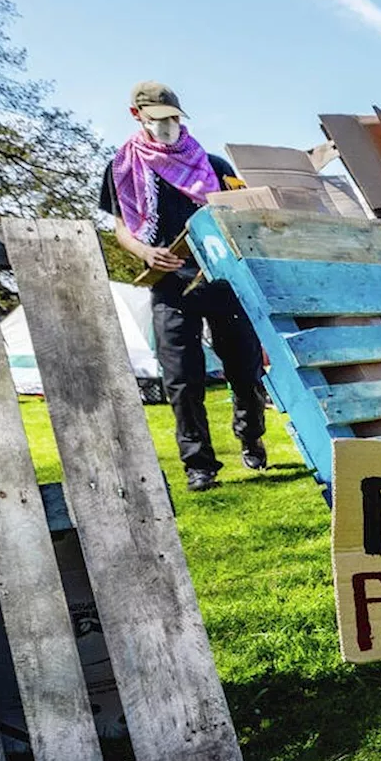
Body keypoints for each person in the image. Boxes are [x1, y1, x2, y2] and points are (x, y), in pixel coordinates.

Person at [100, 81, 267, 491]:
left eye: (174, 117)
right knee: (182, 379)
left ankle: (251, 436)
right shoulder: (124, 170)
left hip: (221, 281)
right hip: (170, 284)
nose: (168, 125)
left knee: (245, 368)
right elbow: (121, 227)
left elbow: (242, 215)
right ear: (136, 115)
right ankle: (199, 465)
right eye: (159, 119)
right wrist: (144, 251)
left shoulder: (213, 165)